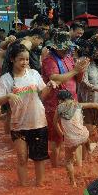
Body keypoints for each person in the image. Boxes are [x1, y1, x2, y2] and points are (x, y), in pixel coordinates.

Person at [0, 43, 56, 187]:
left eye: (27, 59)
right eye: (21, 59)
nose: (25, 62)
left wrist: (49, 86)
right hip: (18, 124)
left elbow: (42, 95)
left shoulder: (34, 74)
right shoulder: (6, 79)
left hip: (38, 121)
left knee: (39, 158)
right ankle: (23, 187)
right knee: (22, 157)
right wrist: (8, 96)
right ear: (12, 60)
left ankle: (39, 186)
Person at [41, 30, 89, 167]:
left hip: (72, 103)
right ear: (55, 47)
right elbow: (54, 78)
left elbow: (77, 79)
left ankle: (78, 168)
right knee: (56, 139)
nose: (67, 50)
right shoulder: (49, 60)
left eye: (68, 47)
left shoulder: (69, 57)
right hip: (55, 104)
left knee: (77, 137)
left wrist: (82, 69)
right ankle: (55, 168)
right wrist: (75, 70)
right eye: (64, 48)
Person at [55, 89, 98, 186]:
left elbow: (55, 124)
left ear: (60, 100)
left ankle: (73, 183)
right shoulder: (78, 105)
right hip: (84, 135)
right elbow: (96, 105)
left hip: (71, 140)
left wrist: (62, 135)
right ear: (70, 98)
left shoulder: (59, 108)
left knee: (68, 161)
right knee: (85, 134)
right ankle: (89, 150)